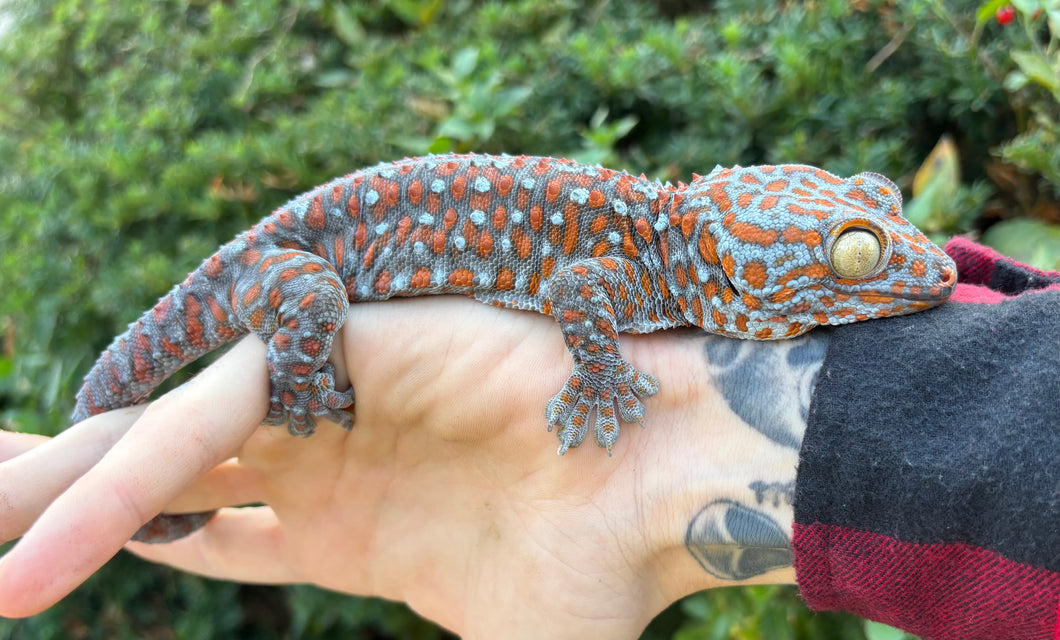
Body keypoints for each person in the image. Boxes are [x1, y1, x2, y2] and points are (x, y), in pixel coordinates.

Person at [0, 238, 1056, 639]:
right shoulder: (638, 268)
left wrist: (673, 445)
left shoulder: (669, 263)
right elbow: (582, 296)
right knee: (302, 318)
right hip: (294, 277)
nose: (919, 269)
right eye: (857, 250)